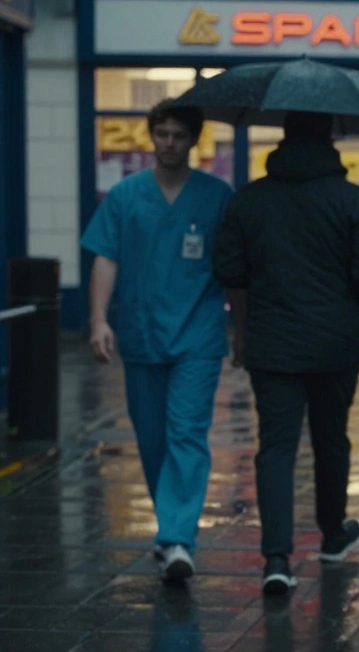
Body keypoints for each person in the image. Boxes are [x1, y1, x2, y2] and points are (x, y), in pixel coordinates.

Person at [213, 111, 359, 595]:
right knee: (331, 438)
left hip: (272, 343)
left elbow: (228, 267)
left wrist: (244, 329)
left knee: (276, 447)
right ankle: (333, 536)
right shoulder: (351, 200)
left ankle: (276, 558)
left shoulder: (249, 200)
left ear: (283, 137)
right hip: (336, 343)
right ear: (329, 138)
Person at [81, 99, 235, 582]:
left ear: (194, 141)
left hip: (199, 334)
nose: (170, 143)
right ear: (152, 137)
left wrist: (243, 330)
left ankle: (176, 538)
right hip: (142, 331)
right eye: (162, 134)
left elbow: (234, 271)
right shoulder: (126, 197)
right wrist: (98, 320)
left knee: (187, 432)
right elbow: (106, 258)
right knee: (152, 438)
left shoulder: (217, 197)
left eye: (178, 135)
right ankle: (171, 527)